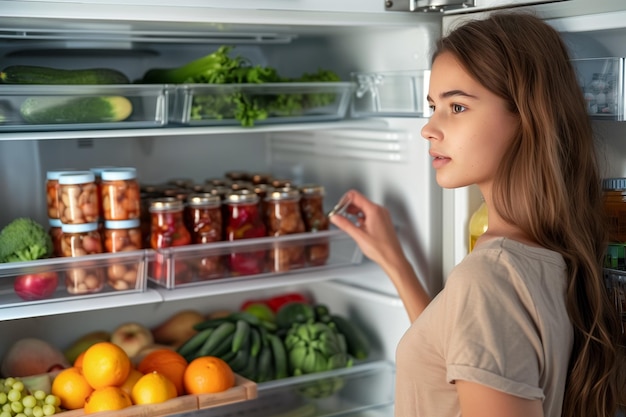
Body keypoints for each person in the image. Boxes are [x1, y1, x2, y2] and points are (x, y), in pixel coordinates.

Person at [329, 11, 626, 417]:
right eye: (434, 105)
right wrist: (395, 262)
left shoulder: (490, 276)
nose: (428, 128)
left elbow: (480, 308)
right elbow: (457, 351)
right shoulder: (545, 253)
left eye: (457, 106)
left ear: (526, 116)